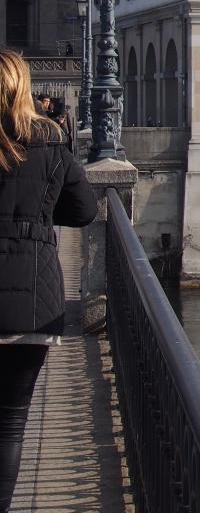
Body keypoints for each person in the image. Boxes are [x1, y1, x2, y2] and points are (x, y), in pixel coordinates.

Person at [0, 50, 94, 511]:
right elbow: (84, 211)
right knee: (10, 425)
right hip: (32, 301)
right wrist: (36, 216)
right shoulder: (50, 142)